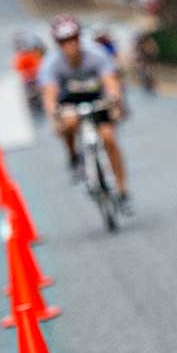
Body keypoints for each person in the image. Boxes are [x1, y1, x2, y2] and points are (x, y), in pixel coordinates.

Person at [38, 15, 132, 213]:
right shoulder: (51, 63)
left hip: (97, 97)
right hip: (70, 101)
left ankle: (122, 189)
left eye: (73, 39)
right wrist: (54, 116)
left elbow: (111, 83)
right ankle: (73, 155)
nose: (70, 45)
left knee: (109, 137)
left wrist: (115, 103)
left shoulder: (96, 54)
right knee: (69, 122)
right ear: (58, 43)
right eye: (64, 41)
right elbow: (49, 95)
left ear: (79, 38)